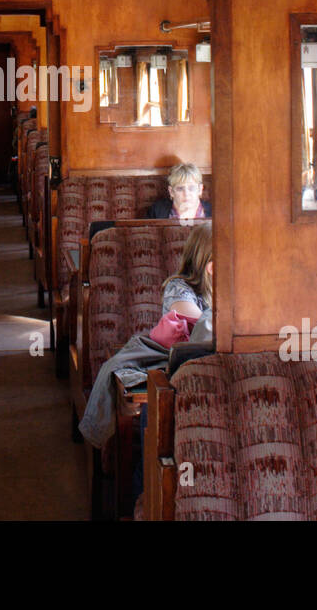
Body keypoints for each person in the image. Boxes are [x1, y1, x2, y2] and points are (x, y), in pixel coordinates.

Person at [77, 221, 213, 449]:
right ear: (212, 267)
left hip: (202, 372)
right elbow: (202, 326)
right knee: (155, 404)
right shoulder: (179, 289)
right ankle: (143, 480)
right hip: (168, 363)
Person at [147, 162, 212, 220]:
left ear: (200, 189)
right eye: (180, 188)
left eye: (191, 188)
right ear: (171, 192)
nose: (186, 194)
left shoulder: (214, 212)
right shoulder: (156, 211)